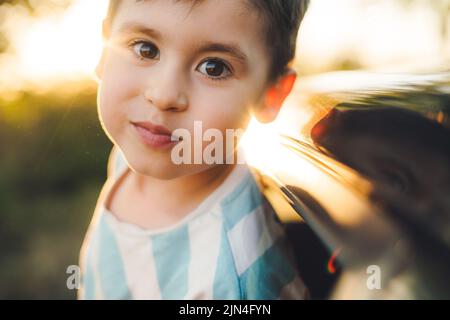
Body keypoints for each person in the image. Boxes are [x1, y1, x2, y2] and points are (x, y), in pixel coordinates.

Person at [79, 0, 309, 299]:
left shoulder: (238, 280)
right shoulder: (137, 152)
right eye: (145, 49)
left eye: (214, 68)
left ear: (271, 94)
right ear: (104, 51)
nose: (163, 96)